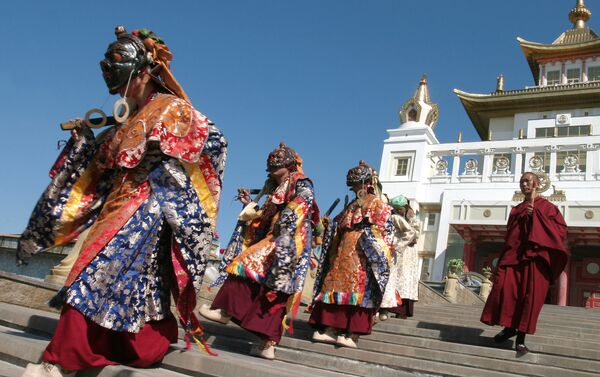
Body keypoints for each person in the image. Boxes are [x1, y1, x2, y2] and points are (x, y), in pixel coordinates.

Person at [18, 26, 227, 377]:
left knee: (95, 272)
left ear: (145, 72)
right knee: (120, 282)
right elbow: (103, 164)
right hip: (119, 205)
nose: (119, 90)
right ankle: (127, 346)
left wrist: (165, 169)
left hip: (149, 207)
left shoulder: (171, 108)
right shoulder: (125, 119)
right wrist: (85, 141)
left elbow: (214, 143)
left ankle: (59, 361)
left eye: (124, 80)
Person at [199, 143, 319, 360]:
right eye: (270, 168)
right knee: (253, 273)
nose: (271, 171)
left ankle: (255, 333)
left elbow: (304, 203)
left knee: (261, 276)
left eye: (276, 166)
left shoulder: (301, 183)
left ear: (289, 165)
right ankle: (255, 335)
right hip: (274, 237)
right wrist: (250, 205)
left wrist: (285, 221)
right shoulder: (277, 188)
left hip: (290, 239)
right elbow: (265, 213)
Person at [480, 172, 568, 354]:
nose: (524, 184)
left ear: (536, 184)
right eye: (522, 181)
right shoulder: (516, 209)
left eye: (527, 181)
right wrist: (525, 216)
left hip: (535, 260)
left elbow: (560, 231)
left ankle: (520, 339)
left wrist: (537, 217)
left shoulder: (548, 207)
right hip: (514, 258)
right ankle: (509, 328)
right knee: (506, 292)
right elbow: (510, 233)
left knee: (530, 298)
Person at [309, 161, 393, 348]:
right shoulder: (352, 206)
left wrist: (368, 237)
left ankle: (350, 332)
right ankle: (329, 327)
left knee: (358, 288)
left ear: (368, 183)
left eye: (357, 184)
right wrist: (329, 225)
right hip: (343, 251)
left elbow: (385, 231)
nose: (354, 189)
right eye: (352, 186)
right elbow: (339, 225)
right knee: (334, 283)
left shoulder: (379, 203)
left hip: (364, 253)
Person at [379, 195, 420, 320]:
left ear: (406, 207)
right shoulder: (393, 218)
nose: (399, 211)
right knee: (394, 277)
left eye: (401, 209)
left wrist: (402, 243)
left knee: (406, 277)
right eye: (396, 209)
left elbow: (415, 234)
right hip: (395, 251)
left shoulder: (414, 219)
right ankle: (389, 305)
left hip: (408, 251)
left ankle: (402, 310)